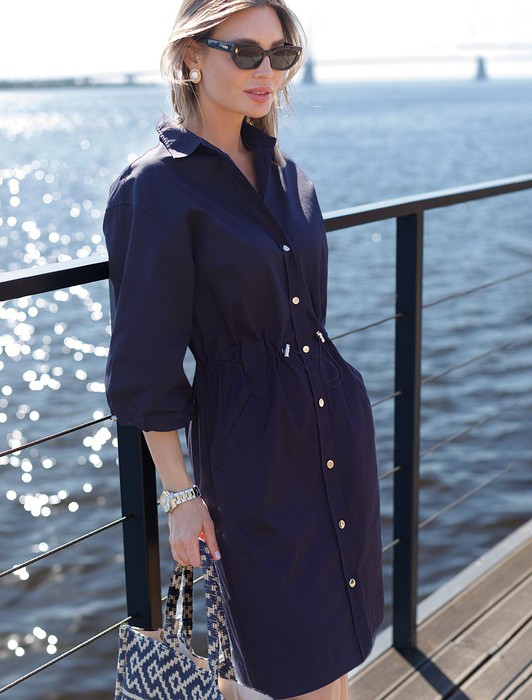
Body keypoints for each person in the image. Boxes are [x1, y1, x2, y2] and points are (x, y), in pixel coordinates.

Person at [104, 1, 383, 698]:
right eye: (246, 52)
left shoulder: (287, 175)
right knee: (285, 663)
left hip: (334, 431)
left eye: (281, 55)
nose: (268, 72)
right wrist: (180, 495)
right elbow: (145, 362)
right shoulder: (155, 188)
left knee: (333, 657)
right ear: (192, 56)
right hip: (252, 455)